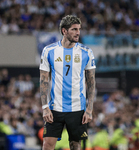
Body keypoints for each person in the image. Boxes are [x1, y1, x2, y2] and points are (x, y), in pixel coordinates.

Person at [39, 15, 96, 150]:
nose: (78, 33)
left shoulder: (86, 52)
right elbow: (43, 80)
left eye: (79, 29)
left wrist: (89, 109)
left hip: (77, 108)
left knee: (75, 145)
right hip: (54, 108)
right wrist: (45, 107)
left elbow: (91, 82)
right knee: (47, 144)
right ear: (64, 31)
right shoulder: (49, 51)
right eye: (74, 29)